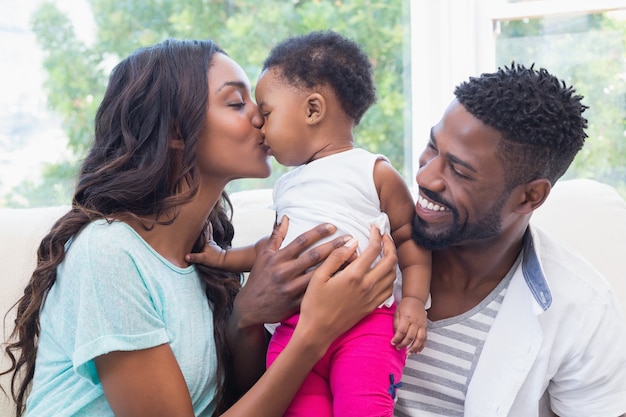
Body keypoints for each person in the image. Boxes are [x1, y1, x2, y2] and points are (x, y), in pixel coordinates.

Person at [0, 38, 399, 417]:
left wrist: (245, 318)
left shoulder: (207, 255)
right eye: (237, 102)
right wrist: (315, 332)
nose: (261, 115)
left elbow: (246, 400)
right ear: (176, 132)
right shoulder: (110, 253)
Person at [187, 30, 431, 417]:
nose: (259, 126)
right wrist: (221, 258)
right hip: (293, 330)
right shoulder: (287, 184)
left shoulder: (373, 170)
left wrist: (415, 301)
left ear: (313, 110)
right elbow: (270, 250)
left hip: (367, 327)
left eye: (266, 114)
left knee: (363, 407)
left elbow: (409, 239)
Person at [394, 63, 626, 417]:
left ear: (529, 197)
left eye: (458, 170)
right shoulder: (362, 247)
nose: (425, 176)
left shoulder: (585, 310)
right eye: (431, 146)